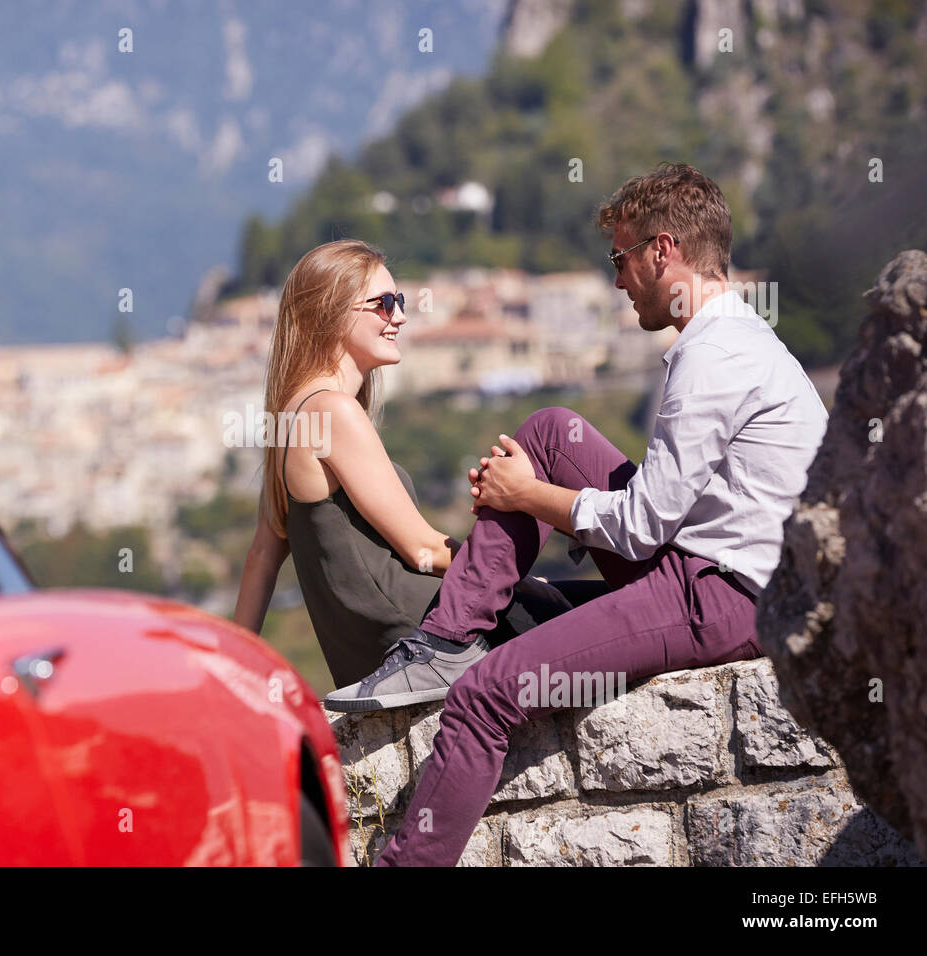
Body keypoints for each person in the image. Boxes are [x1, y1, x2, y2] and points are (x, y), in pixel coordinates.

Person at [335, 163, 828, 867]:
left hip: (724, 595)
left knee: (487, 695)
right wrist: (527, 488)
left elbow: (641, 527)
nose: (619, 279)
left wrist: (524, 497)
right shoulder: (735, 338)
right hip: (717, 574)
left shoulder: (713, 358)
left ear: (664, 251)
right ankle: (447, 637)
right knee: (550, 432)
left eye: (621, 259)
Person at [232, 239, 574, 690]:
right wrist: (516, 579)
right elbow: (423, 550)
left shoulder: (291, 415)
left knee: (586, 599)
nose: (400, 316)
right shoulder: (332, 412)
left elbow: (261, 557)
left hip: (378, 651)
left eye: (401, 301)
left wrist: (233, 669)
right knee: (606, 603)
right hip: (425, 636)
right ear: (331, 312)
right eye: (384, 303)